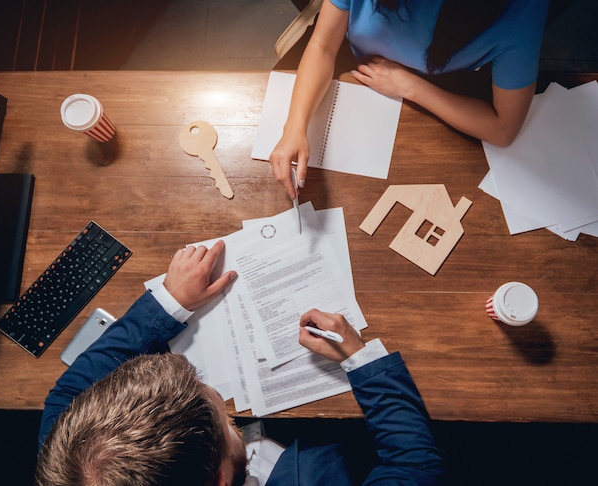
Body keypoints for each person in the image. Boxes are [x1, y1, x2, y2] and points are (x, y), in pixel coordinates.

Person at [35, 241, 444, 485]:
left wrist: (170, 302)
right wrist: (359, 359)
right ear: (220, 480)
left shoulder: (75, 457)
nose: (217, 397)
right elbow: (415, 467)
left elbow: (69, 393)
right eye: (224, 420)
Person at [270, 0, 550, 200]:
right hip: (353, 69)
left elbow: (503, 128)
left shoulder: (521, 8)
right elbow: (323, 44)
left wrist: (410, 86)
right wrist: (294, 127)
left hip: (436, 95)